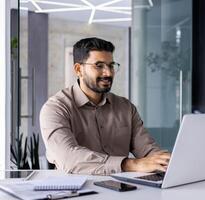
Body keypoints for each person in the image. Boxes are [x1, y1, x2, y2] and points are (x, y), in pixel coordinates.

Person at [40, 37, 170, 175]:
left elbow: (147, 149)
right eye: (99, 65)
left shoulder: (125, 108)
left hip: (122, 190)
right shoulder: (56, 108)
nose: (108, 73)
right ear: (79, 70)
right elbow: (68, 157)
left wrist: (166, 162)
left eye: (111, 65)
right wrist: (129, 164)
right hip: (76, 192)